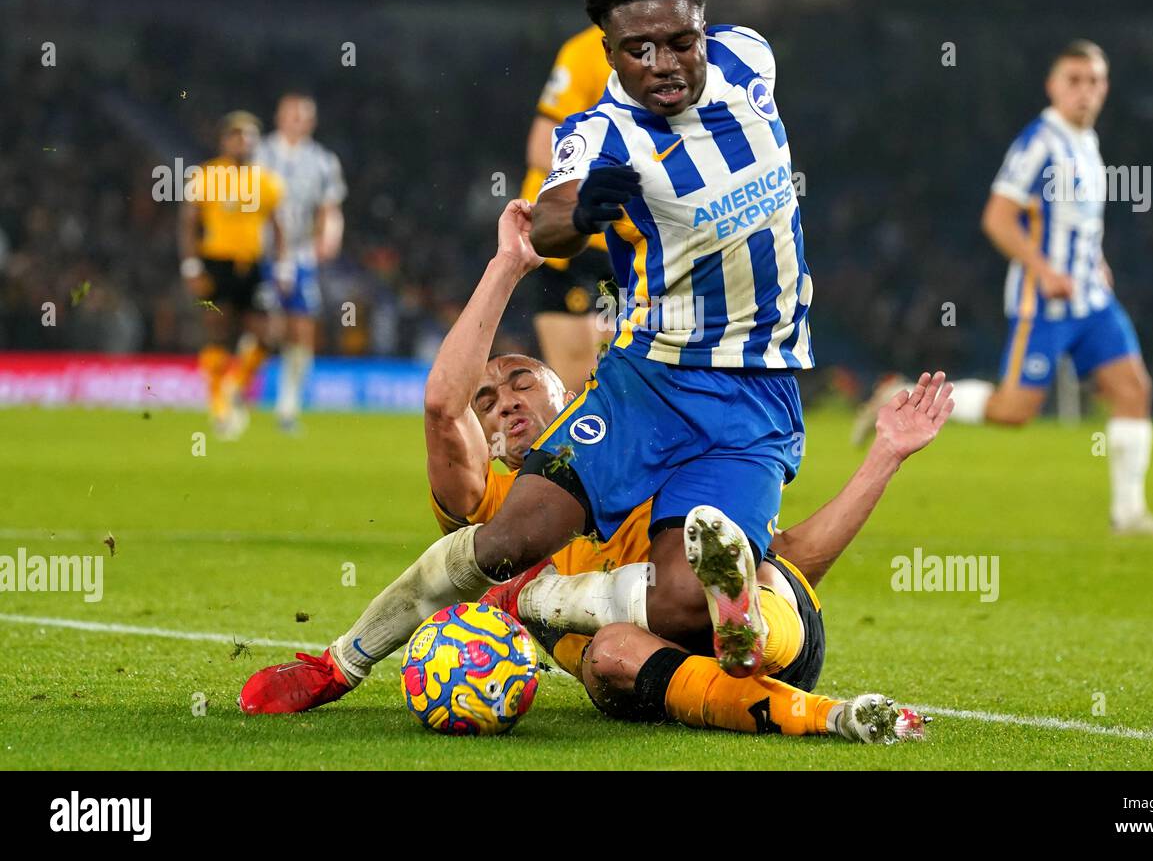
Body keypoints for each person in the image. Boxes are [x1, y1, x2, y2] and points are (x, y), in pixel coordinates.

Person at [240, 200, 952, 743]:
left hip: (766, 625)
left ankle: (743, 633)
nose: (506, 399)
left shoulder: (636, 445)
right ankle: (801, 699)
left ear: (571, 396)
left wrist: (882, 459)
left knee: (756, 577)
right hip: (638, 664)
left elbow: (793, 558)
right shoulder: (490, 499)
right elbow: (438, 403)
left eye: (523, 381)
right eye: (487, 403)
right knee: (606, 651)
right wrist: (508, 267)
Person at [854, 40, 1153, 538]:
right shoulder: (1039, 143)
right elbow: (998, 218)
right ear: (1053, 86)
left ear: (1105, 88)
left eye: (1094, 81)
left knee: (1133, 389)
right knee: (1014, 412)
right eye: (1074, 80)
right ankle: (904, 392)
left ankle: (1129, 515)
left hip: (1092, 300)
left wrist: (1095, 260)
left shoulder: (1088, 143)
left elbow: (1076, 219)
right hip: (1046, 301)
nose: (1085, 91)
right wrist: (1043, 269)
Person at [178, 111, 286, 440]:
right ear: (225, 140)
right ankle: (218, 405)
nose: (243, 141)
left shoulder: (267, 180)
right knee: (219, 333)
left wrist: (282, 266)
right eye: (237, 135)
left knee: (268, 335)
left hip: (252, 266)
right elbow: (188, 223)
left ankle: (234, 386)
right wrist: (191, 265)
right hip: (217, 263)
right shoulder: (207, 175)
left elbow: (279, 227)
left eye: (249, 135)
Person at [520, 26, 612, 394]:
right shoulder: (586, 52)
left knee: (618, 373)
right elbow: (543, 145)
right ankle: (574, 450)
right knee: (578, 376)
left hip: (634, 238)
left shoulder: (684, 55)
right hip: (572, 234)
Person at [255, 93, 347, 433]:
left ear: (312, 121)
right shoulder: (258, 154)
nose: (297, 120)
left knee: (302, 326)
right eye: (291, 114)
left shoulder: (323, 161)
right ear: (279, 117)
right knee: (260, 326)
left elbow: (329, 208)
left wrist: (328, 238)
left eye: (303, 115)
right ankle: (237, 393)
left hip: (300, 254)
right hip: (260, 252)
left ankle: (288, 406)